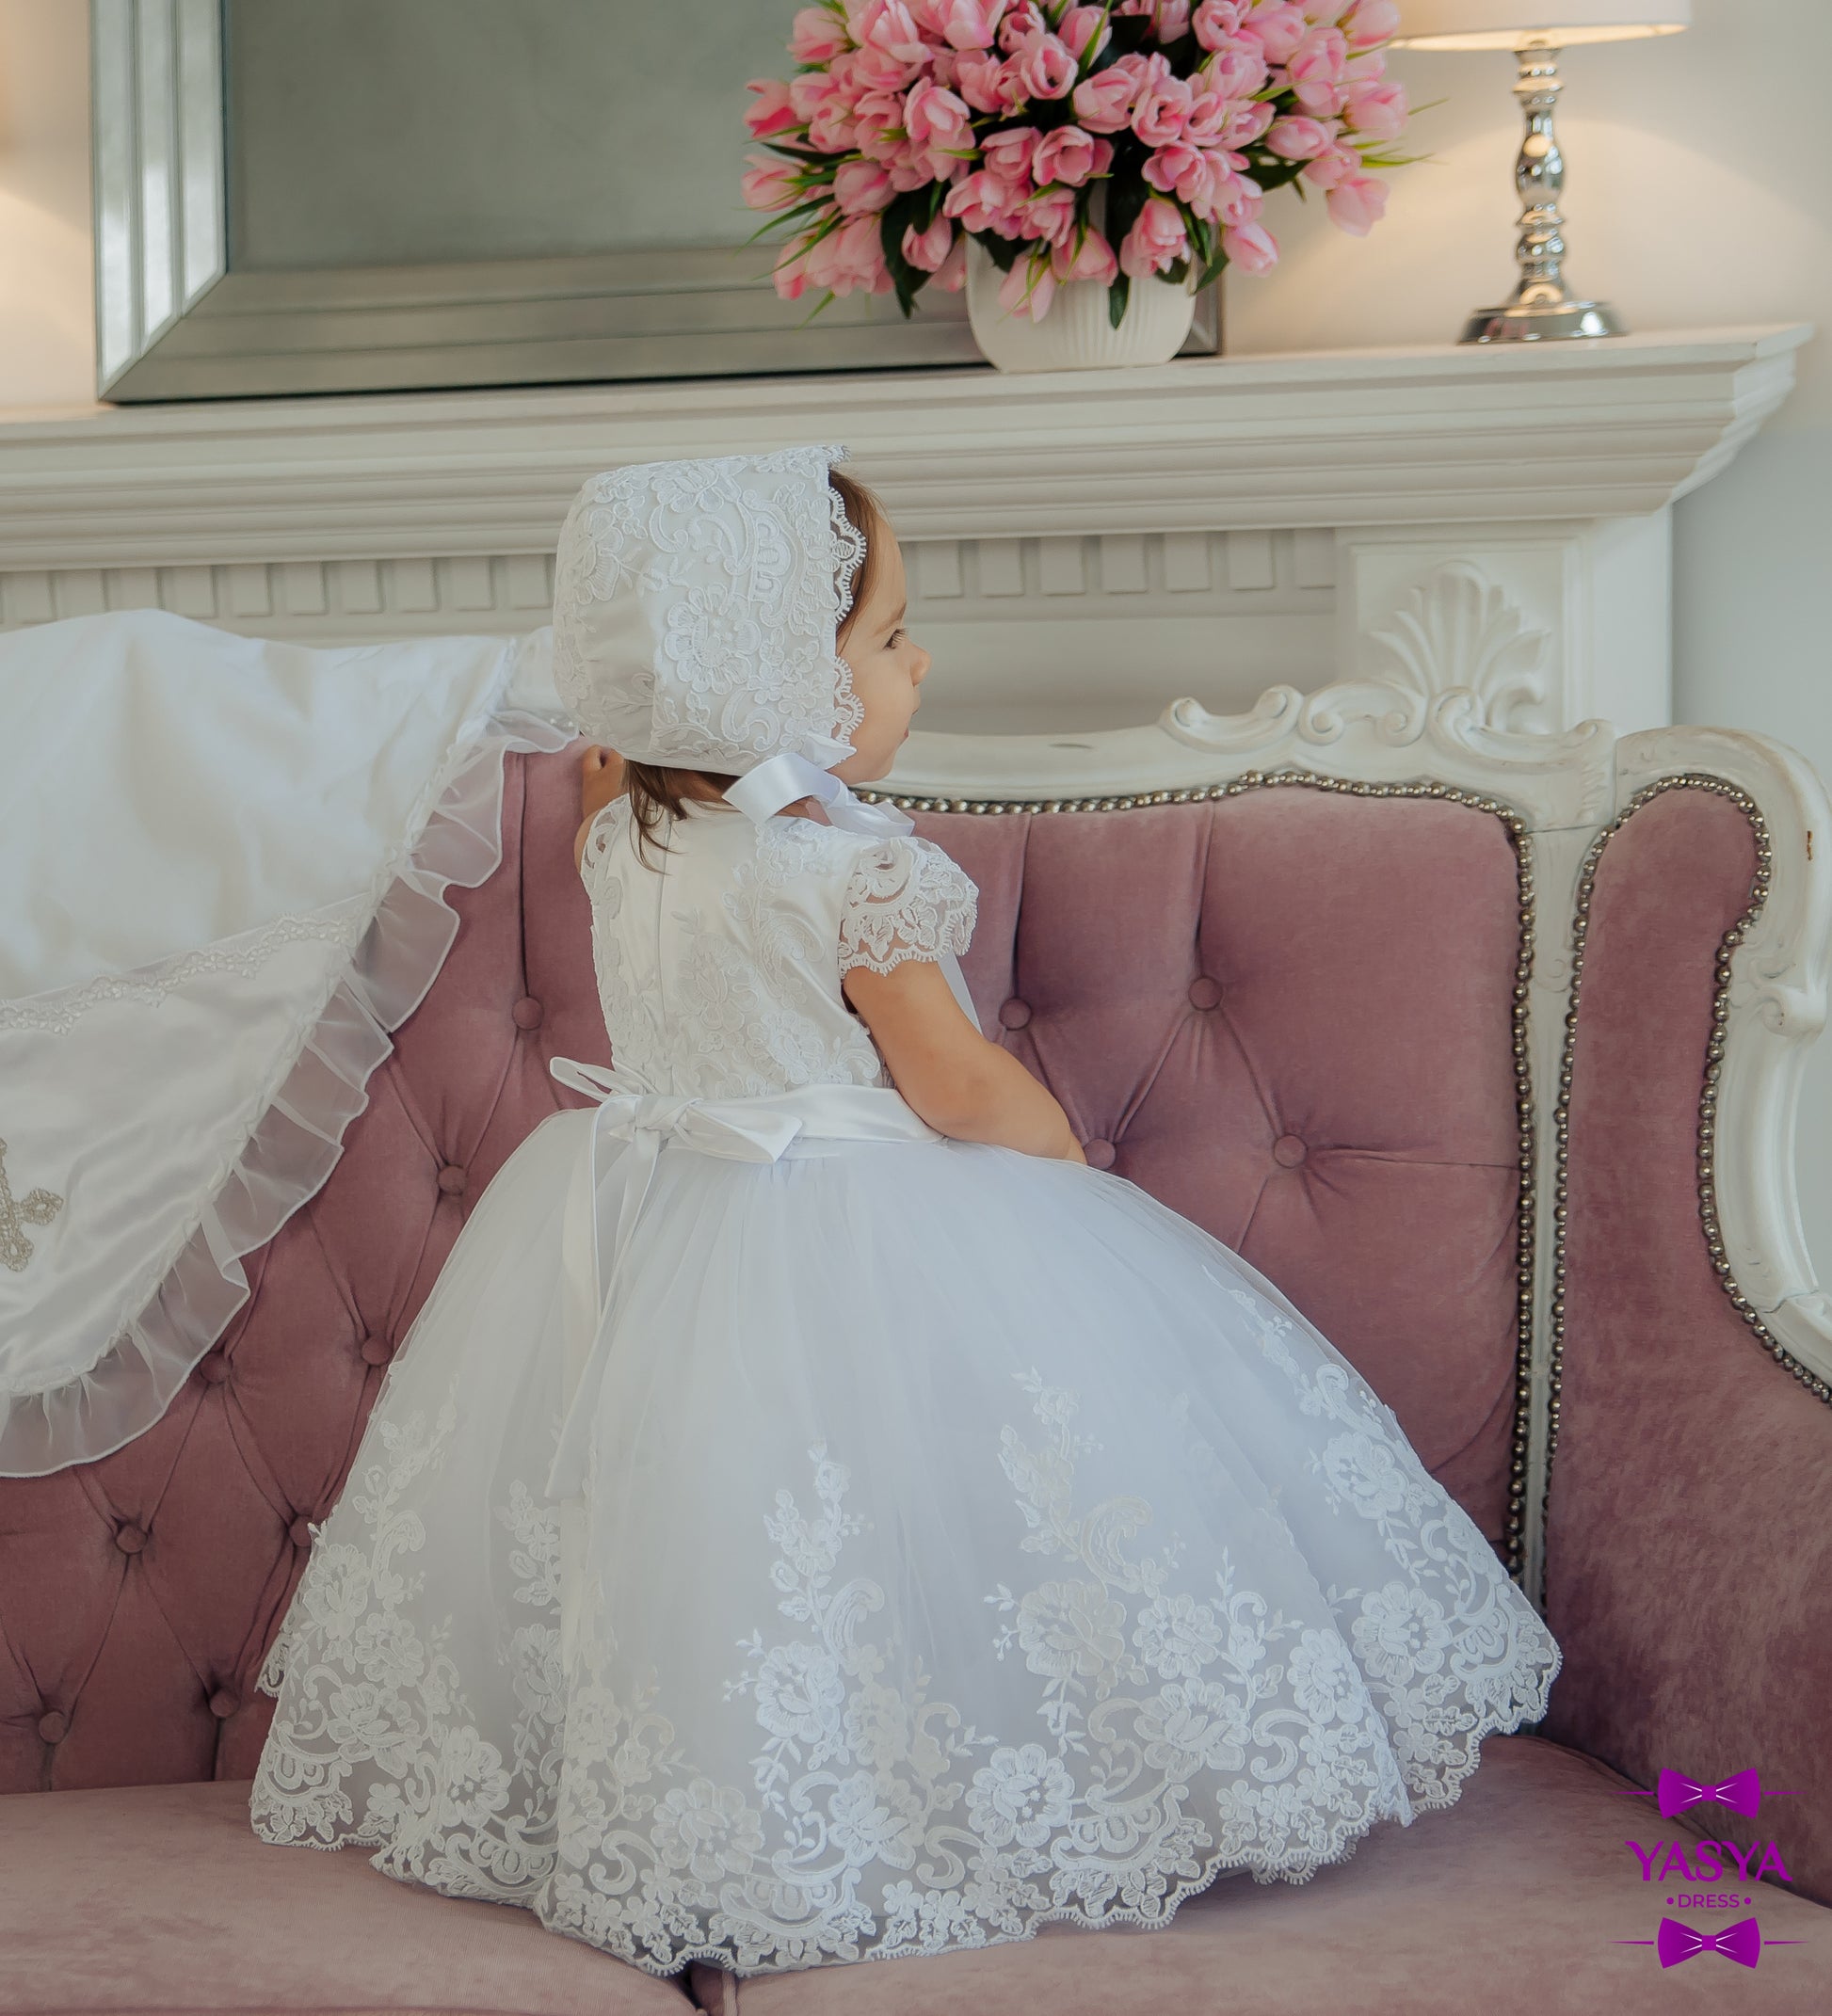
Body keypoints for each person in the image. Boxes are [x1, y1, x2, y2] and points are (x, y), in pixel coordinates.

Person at [249, 446, 1562, 1980]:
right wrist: (1061, 1162)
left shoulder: (622, 833)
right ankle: (930, 1796)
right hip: (831, 1205)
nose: (915, 657)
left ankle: (697, 1804)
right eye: (880, 637)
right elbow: (950, 1082)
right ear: (760, 674)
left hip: (655, 1206)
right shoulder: (847, 868)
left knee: (699, 1533)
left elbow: (623, 761)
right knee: (933, 1518)